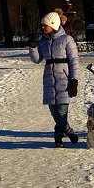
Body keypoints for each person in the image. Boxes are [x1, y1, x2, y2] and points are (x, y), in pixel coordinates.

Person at [29, 11, 80, 147]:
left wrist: (74, 80)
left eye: (44, 25)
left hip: (64, 79)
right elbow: (36, 59)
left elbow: (74, 60)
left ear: (52, 25)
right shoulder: (44, 41)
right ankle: (67, 129)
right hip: (49, 80)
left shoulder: (67, 40)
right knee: (53, 111)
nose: (42, 28)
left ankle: (58, 137)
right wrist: (33, 47)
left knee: (62, 111)